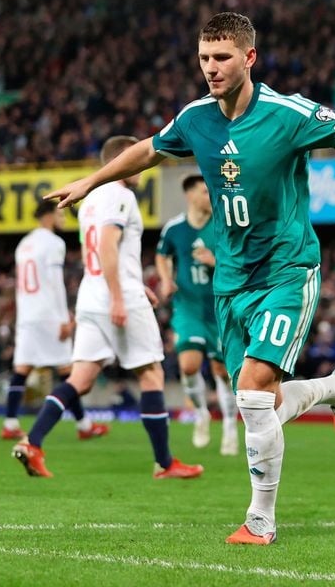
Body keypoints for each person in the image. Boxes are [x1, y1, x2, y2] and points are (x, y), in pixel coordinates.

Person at [47, 12, 335, 543]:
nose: (211, 68)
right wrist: (92, 181)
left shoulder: (286, 112)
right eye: (205, 58)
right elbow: (147, 149)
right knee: (265, 402)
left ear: (249, 58)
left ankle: (261, 519)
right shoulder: (196, 118)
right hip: (230, 280)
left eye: (222, 57)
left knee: (253, 391)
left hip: (286, 269)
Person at [13, 136, 203, 480]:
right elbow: (107, 245)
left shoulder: (90, 199)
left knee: (81, 378)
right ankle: (165, 463)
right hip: (116, 296)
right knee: (151, 374)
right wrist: (120, 294)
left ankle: (34, 442)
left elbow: (104, 252)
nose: (143, 169)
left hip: (91, 294)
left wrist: (134, 283)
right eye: (139, 161)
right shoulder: (121, 195)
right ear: (124, 161)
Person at [3, 198, 108, 441]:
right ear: (49, 215)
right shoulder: (54, 243)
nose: (62, 220)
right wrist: (64, 318)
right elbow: (54, 283)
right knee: (68, 371)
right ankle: (84, 425)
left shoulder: (24, 244)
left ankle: (10, 422)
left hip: (27, 315)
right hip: (48, 315)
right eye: (60, 216)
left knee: (22, 369)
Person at [156, 174, 238, 455]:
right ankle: (201, 414)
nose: (210, 196)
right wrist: (166, 279)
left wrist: (216, 262)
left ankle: (229, 425)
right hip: (188, 307)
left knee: (222, 372)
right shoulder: (175, 228)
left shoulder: (223, 226)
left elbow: (239, 262)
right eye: (205, 192)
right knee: (189, 366)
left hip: (219, 308)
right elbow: (161, 254)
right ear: (190, 195)